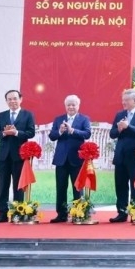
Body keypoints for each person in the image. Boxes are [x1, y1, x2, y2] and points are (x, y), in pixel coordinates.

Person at [0, 90, 36, 223]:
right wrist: (4, 133)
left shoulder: (28, 115)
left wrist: (16, 132)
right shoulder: (1, 115)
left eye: (15, 99)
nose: (12, 101)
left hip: (20, 156)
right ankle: (2, 213)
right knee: (3, 185)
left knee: (18, 186)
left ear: (20, 99)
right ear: (6, 101)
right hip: (3, 156)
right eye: (9, 99)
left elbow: (31, 133)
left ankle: (18, 212)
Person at [108, 89, 135, 223]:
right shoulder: (120, 114)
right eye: (123, 100)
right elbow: (112, 133)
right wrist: (119, 129)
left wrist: (128, 127)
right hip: (121, 154)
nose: (123, 103)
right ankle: (121, 212)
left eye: (126, 100)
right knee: (120, 185)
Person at [48, 94, 91, 223]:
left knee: (77, 187)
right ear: (65, 106)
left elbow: (87, 133)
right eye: (68, 105)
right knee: (61, 187)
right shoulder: (58, 119)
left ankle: (79, 213)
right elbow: (52, 136)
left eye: (73, 104)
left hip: (77, 159)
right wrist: (60, 131)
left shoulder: (84, 119)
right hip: (61, 159)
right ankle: (61, 214)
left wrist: (73, 131)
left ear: (78, 106)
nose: (71, 107)